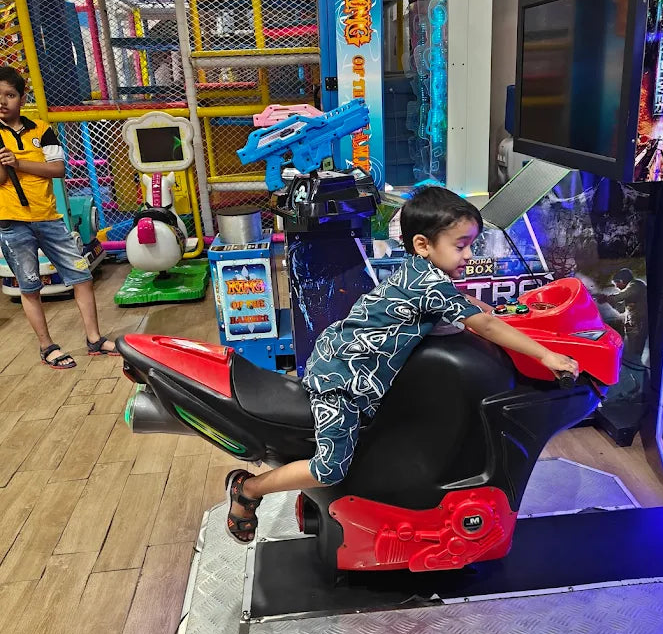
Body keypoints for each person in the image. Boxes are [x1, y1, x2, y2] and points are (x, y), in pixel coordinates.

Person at [224, 186, 579, 543]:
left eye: (471, 244)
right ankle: (249, 489)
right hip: (342, 379)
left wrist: (496, 311)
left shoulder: (419, 271)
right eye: (460, 246)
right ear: (424, 245)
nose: (469, 254)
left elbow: (469, 305)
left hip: (342, 358)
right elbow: (482, 324)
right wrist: (545, 355)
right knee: (330, 470)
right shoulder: (430, 285)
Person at [0, 66, 117, 368]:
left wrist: (20, 162)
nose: (3, 101)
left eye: (9, 95)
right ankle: (46, 346)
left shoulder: (42, 130)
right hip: (12, 224)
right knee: (29, 286)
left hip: (49, 219)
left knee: (81, 277)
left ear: (21, 97)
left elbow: (57, 169)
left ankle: (94, 339)